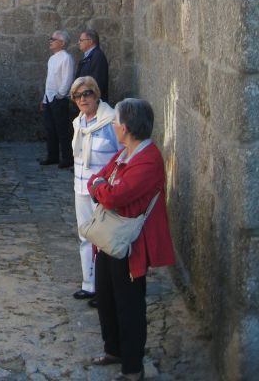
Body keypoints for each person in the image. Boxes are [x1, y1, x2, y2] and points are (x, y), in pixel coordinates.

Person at [87, 99, 175, 381]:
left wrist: (101, 187)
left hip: (130, 243)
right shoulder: (125, 153)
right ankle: (113, 349)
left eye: (115, 121)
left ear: (124, 127)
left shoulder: (148, 160)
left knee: (129, 305)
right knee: (106, 296)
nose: (114, 125)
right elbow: (97, 179)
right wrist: (101, 186)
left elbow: (114, 195)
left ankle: (133, 368)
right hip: (111, 237)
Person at [70, 76, 120, 304]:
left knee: (103, 240)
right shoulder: (79, 123)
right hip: (81, 187)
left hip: (103, 191)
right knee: (85, 236)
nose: (83, 99)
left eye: (87, 93)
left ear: (96, 94)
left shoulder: (111, 121)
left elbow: (123, 156)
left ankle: (105, 289)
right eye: (77, 96)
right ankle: (89, 284)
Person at [41, 30, 75, 168]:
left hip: (58, 99)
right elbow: (49, 81)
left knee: (62, 129)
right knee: (50, 129)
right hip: (49, 98)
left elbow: (67, 78)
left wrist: (60, 95)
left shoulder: (66, 58)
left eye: (53, 39)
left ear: (62, 42)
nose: (50, 41)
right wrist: (44, 99)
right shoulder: (52, 59)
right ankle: (52, 156)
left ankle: (67, 158)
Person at [75, 29, 110, 103]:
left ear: (90, 41)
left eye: (81, 40)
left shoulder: (98, 56)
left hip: (93, 102)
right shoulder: (89, 56)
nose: (78, 42)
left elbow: (97, 81)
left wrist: (88, 97)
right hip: (86, 100)